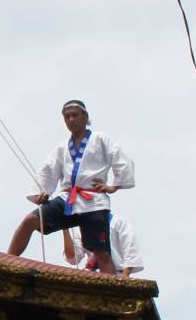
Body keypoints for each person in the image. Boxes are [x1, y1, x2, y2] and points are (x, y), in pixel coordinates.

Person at [7, 100, 134, 274]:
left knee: (102, 253)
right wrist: (39, 195)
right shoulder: (62, 147)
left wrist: (114, 186)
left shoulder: (100, 138)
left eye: (75, 115)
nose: (71, 120)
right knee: (30, 220)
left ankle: (111, 295)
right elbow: (48, 169)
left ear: (85, 117)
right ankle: (6, 263)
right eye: (67, 117)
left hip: (94, 200)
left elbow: (120, 159)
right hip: (68, 199)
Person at [62, 213, 143, 277]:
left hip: (116, 276)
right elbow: (72, 258)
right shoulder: (81, 230)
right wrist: (65, 228)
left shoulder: (118, 222)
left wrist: (124, 280)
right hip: (90, 277)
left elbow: (131, 251)